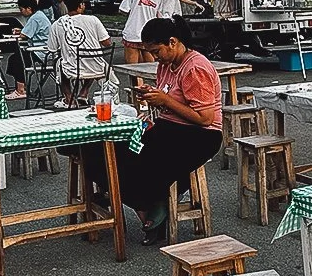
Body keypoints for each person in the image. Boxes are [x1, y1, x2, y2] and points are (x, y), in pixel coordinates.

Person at [78, 17, 222, 244]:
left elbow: (205, 118)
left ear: (172, 42)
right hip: (172, 126)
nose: (155, 57)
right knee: (102, 152)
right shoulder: (166, 65)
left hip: (200, 135)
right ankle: (149, 205)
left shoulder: (195, 68)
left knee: (135, 160)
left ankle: (154, 203)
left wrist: (164, 99)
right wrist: (153, 95)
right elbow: (170, 98)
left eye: (157, 51)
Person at [46, 0, 111, 106]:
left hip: (71, 69)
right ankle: (84, 92)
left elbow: (52, 49)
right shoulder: (93, 20)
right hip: (96, 68)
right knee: (91, 56)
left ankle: (69, 98)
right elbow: (107, 43)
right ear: (81, 5)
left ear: (65, 5)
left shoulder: (57, 24)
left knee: (59, 63)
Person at [5, 0, 52, 100]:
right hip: (43, 49)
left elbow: (24, 36)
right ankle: (22, 87)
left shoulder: (35, 18)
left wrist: (20, 33)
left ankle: (20, 90)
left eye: (22, 9)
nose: (21, 12)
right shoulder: (39, 15)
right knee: (16, 58)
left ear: (29, 8)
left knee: (17, 60)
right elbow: (27, 31)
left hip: (40, 50)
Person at [119, 0, 163, 65]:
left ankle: (139, 82)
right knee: (151, 68)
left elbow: (123, 10)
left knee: (132, 69)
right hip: (149, 33)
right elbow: (158, 12)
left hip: (132, 32)